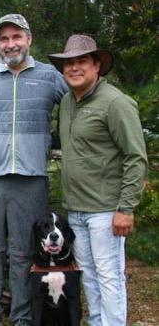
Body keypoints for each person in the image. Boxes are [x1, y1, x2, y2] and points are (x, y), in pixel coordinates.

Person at [0, 14, 68, 326]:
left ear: (29, 39)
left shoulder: (51, 77)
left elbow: (80, 108)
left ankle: (22, 316)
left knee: (25, 252)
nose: (10, 44)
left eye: (16, 37)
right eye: (4, 39)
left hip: (32, 180)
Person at [48, 34, 148, 326]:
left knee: (109, 276)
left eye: (82, 61)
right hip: (77, 208)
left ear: (96, 65)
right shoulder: (67, 102)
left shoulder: (115, 102)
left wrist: (126, 208)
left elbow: (135, 157)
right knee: (88, 274)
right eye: (69, 63)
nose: (75, 68)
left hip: (106, 209)